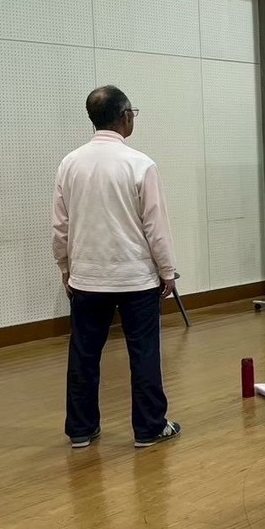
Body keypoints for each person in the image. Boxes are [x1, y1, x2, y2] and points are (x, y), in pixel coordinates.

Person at [52, 86, 182, 450]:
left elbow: (60, 225)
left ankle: (81, 429)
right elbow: (156, 226)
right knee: (144, 352)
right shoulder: (140, 164)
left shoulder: (69, 163)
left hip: (87, 277)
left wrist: (65, 266)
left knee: (84, 354)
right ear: (125, 117)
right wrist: (167, 271)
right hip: (136, 278)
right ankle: (149, 428)